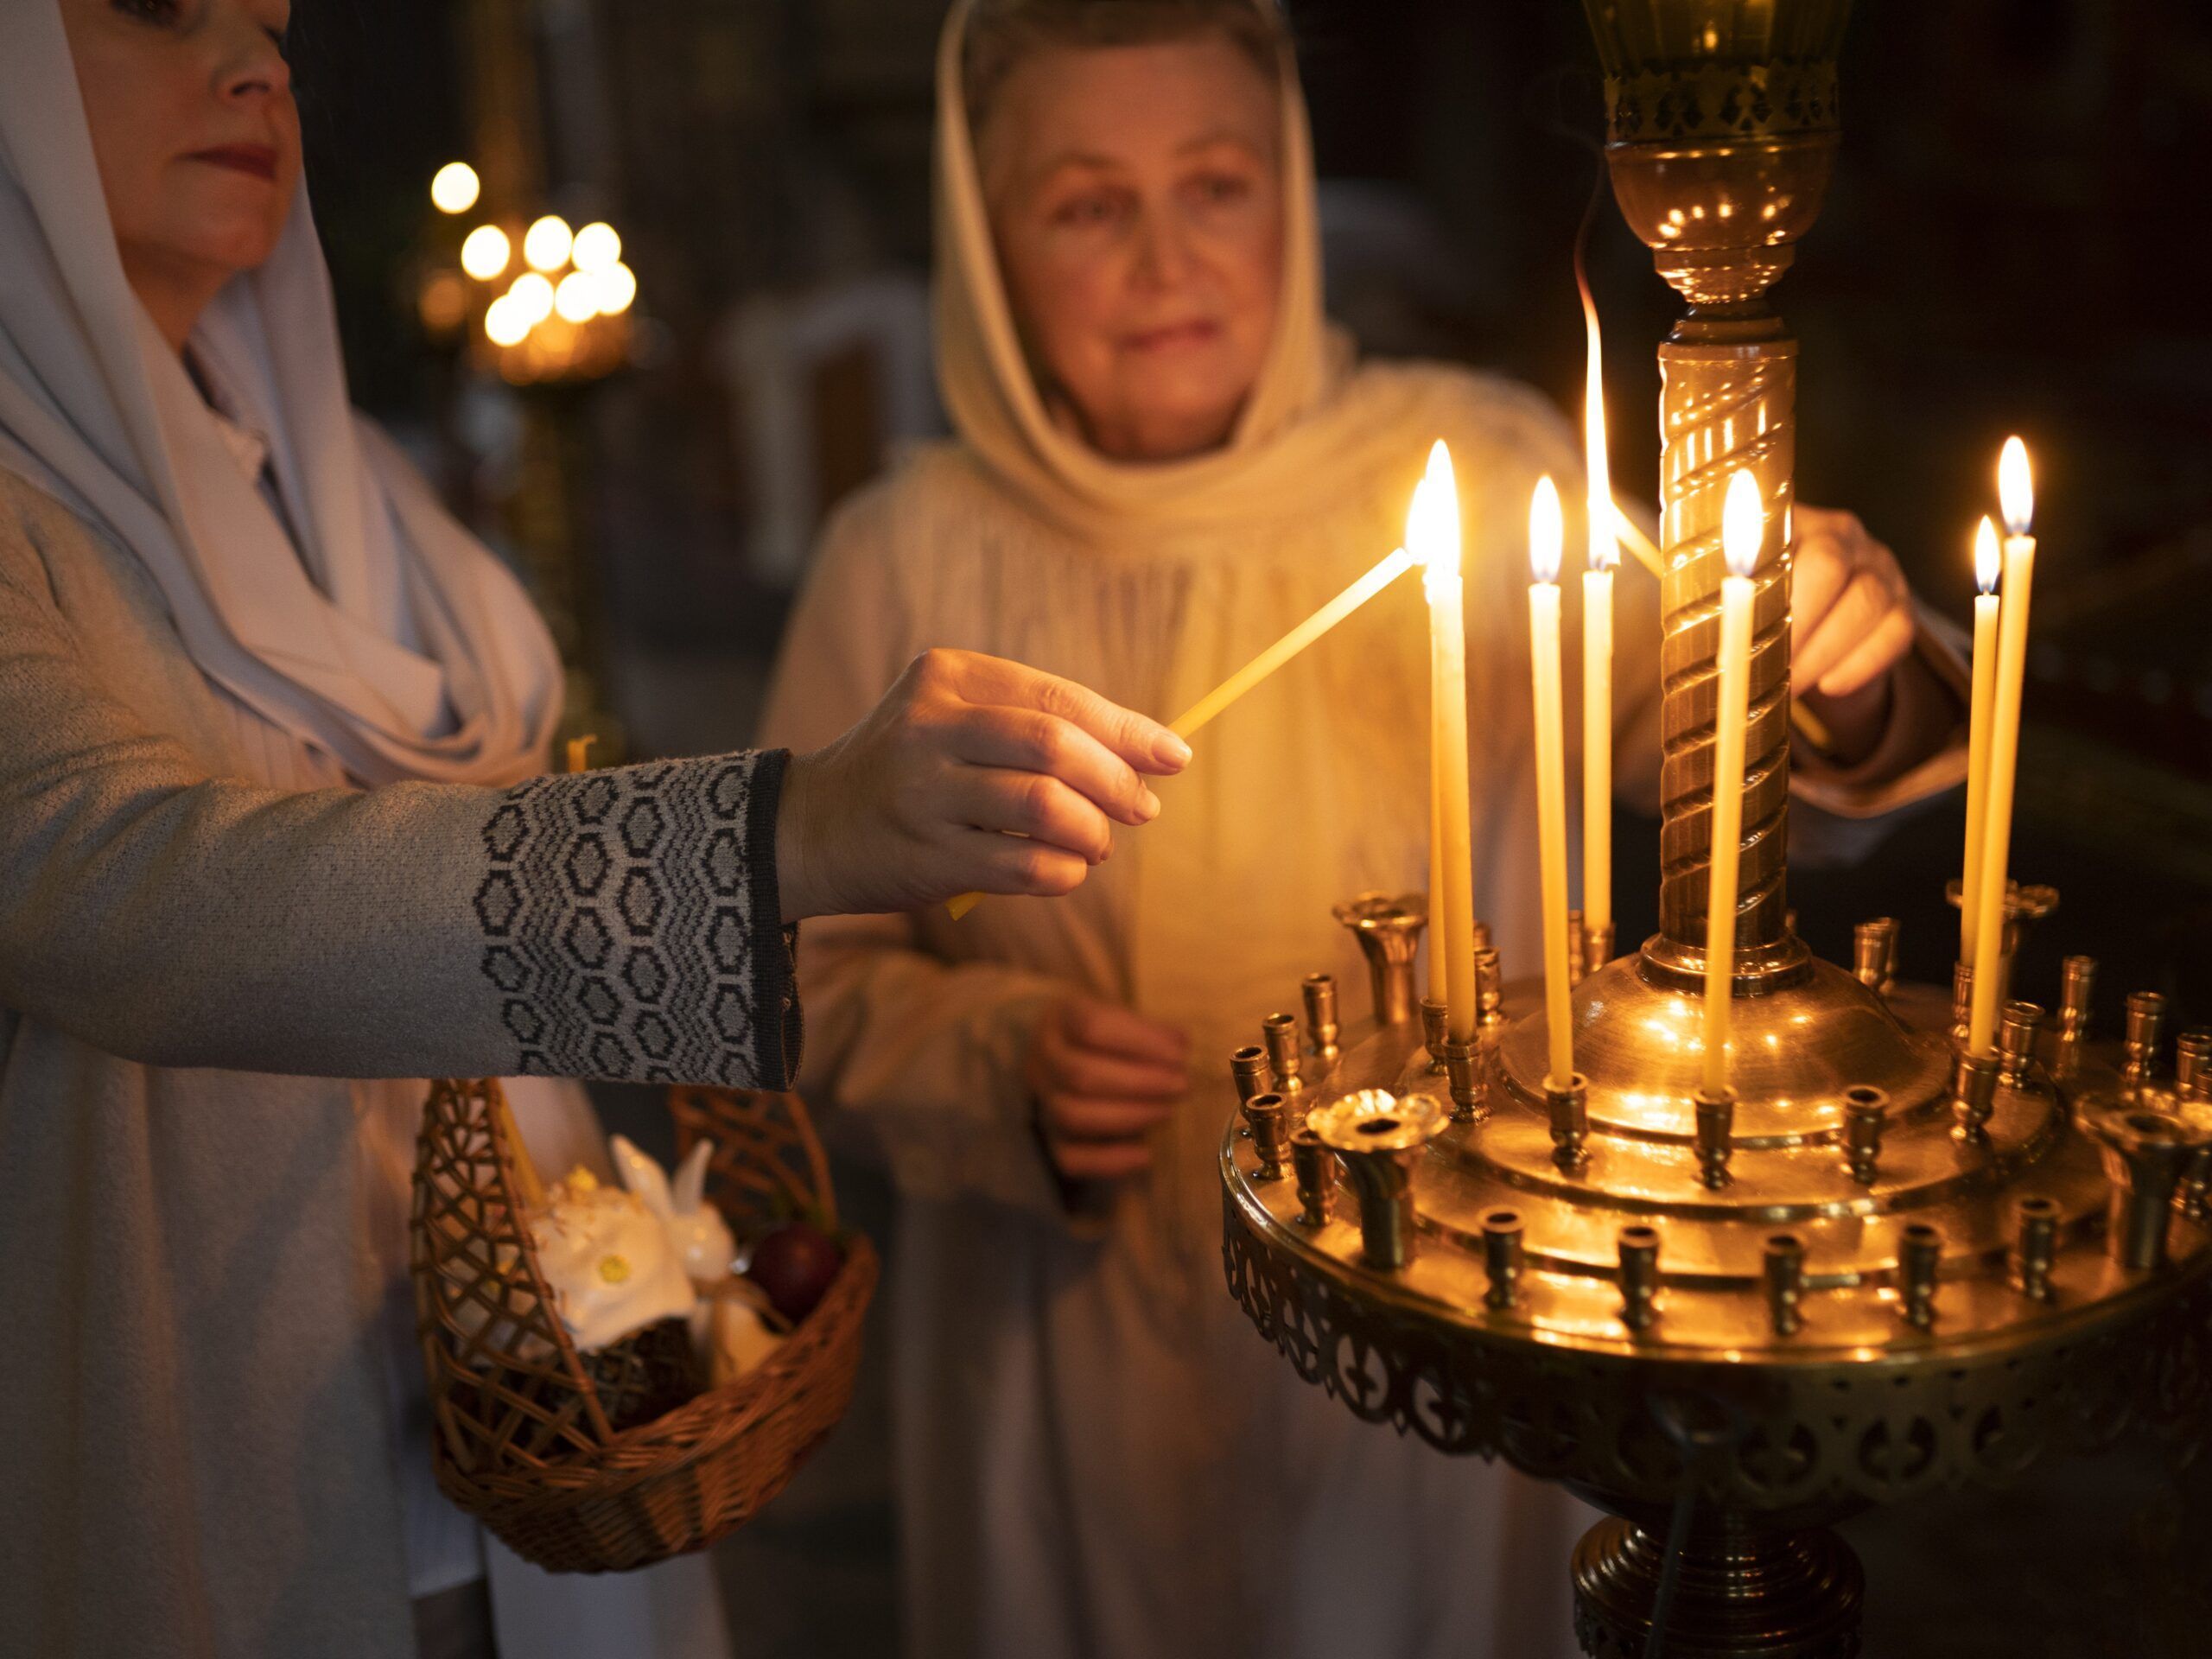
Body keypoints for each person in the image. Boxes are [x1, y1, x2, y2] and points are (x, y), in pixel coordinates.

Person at [759, 3, 1967, 1656]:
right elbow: (795, 970)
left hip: (1452, 1312)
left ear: (1294, 189)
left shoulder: (1473, 463)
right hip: (1073, 1345)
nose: (1167, 260)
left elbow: (1725, 754)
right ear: (983, 241)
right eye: (1089, 205)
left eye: (1218, 184)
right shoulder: (901, 559)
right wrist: (985, 1062)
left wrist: (1828, 665)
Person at [0, 4, 1192, 1658]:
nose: (259, 64)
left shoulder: (352, 479)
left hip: (538, 1406)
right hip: (241, 1441)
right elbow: (123, 883)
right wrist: (781, 834)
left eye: (271, 21)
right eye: (160, 5)